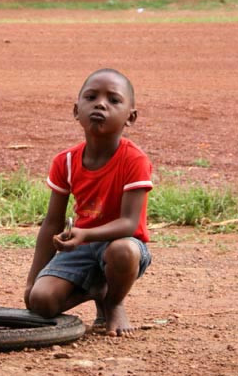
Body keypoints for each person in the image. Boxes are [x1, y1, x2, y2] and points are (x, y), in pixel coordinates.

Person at [23, 68, 153, 337]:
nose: (101, 104)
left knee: (123, 252)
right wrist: (31, 280)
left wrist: (85, 234)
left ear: (131, 117)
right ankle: (96, 289)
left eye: (114, 100)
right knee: (39, 302)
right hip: (82, 248)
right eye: (91, 97)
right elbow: (52, 222)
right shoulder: (66, 161)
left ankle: (113, 302)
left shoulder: (134, 160)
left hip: (122, 245)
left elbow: (130, 224)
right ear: (76, 110)